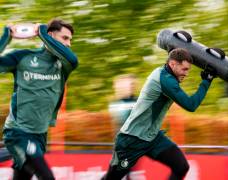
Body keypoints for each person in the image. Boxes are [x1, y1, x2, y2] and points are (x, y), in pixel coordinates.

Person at [102, 48, 216, 180]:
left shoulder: (164, 72)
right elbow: (191, 105)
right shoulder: (166, 80)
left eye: (188, 69)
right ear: (173, 64)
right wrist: (206, 81)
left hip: (152, 137)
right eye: (184, 69)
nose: (187, 73)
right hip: (132, 140)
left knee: (181, 167)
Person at [0, 19, 78, 180]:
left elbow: (73, 59)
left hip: (40, 136)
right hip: (18, 132)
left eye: (70, 39)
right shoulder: (23, 57)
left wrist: (42, 33)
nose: (69, 43)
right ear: (50, 35)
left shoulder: (64, 65)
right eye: (65, 38)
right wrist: (6, 38)